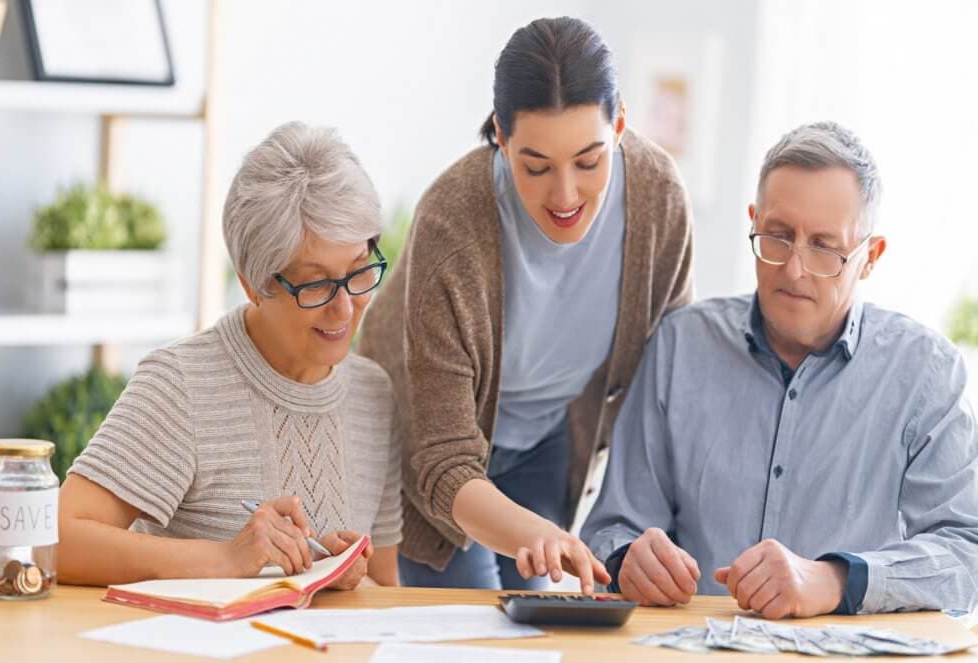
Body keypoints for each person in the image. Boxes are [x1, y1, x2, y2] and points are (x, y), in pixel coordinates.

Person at [582, 121, 978, 617]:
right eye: (779, 236)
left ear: (869, 257)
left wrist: (835, 579)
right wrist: (624, 561)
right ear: (753, 222)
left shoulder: (927, 373)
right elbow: (609, 527)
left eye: (824, 246)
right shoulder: (679, 348)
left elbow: (967, 554)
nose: (794, 269)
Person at [358, 16, 694, 593]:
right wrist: (535, 536)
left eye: (589, 161)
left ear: (618, 125)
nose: (565, 196)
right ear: (500, 135)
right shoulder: (452, 219)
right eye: (535, 167)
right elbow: (442, 459)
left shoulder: (659, 197)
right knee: (462, 629)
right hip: (435, 452)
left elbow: (668, 383)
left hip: (548, 437)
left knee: (533, 621)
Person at [57, 122, 401, 588]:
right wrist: (224, 559)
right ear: (252, 284)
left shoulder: (373, 394)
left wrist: (339, 574)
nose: (344, 307)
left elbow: (386, 588)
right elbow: (57, 539)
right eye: (317, 284)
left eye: (359, 272)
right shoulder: (182, 384)